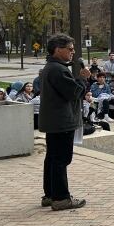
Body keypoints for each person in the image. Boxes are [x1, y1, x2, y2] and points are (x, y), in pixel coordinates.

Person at [38, 33, 90, 211]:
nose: (73, 52)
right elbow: (74, 92)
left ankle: (50, 194)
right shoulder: (58, 69)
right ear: (58, 50)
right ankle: (61, 198)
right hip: (61, 121)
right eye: (70, 49)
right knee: (61, 159)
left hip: (54, 121)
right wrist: (83, 78)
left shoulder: (51, 67)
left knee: (52, 158)